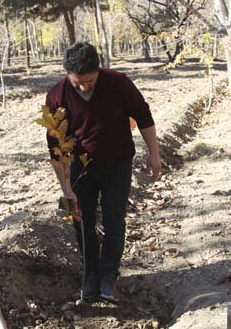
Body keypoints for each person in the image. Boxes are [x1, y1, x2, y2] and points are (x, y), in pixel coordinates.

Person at [45, 42, 161, 304]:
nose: (84, 87)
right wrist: (66, 189)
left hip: (118, 164)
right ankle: (90, 274)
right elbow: (56, 147)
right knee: (80, 219)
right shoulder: (57, 96)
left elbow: (143, 116)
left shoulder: (118, 83)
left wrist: (154, 154)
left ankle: (109, 274)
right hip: (81, 168)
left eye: (90, 81)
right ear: (67, 75)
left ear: (99, 70)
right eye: (78, 83)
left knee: (113, 220)